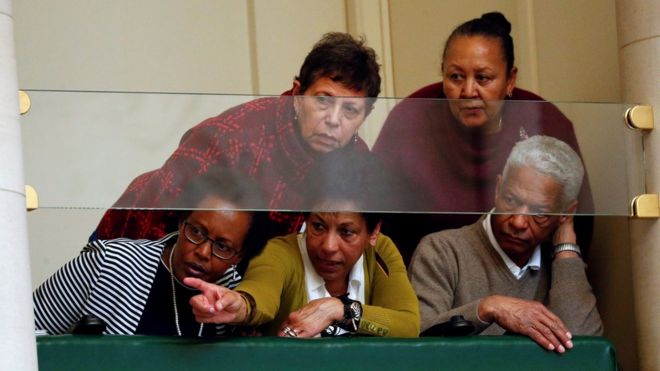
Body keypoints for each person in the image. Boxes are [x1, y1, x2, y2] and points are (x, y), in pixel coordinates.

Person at [94, 32, 382, 246]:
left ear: (365, 116)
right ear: (296, 94)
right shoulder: (234, 137)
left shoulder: (357, 160)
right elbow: (158, 220)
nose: (333, 120)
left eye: (350, 110)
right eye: (322, 101)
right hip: (130, 242)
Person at [372, 12, 593, 264]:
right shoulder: (411, 119)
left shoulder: (544, 121)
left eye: (483, 78)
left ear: (510, 80)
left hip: (528, 280)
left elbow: (578, 226)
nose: (468, 91)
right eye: (455, 77)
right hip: (431, 279)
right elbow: (379, 226)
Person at [185, 150, 420, 337]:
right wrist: (239, 305)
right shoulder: (279, 251)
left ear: (373, 232)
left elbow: (408, 325)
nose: (328, 246)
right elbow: (258, 294)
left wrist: (338, 310)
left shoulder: (381, 250)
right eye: (318, 226)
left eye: (346, 232)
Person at [409, 136, 603, 353]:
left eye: (539, 213)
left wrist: (566, 250)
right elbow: (418, 341)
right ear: (498, 188)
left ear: (565, 213)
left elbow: (587, 353)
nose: (518, 222)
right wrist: (488, 308)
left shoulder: (560, 267)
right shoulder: (442, 250)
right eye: (510, 200)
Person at [33, 168, 268, 337]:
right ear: (181, 221)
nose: (203, 252)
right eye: (196, 231)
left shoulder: (235, 299)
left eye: (222, 246)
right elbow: (22, 330)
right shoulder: (110, 263)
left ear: (239, 255)